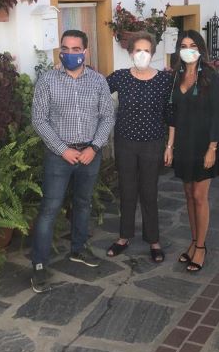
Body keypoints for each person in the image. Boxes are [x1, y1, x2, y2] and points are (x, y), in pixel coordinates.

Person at [30, 29, 115, 293]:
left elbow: (107, 116)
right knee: (50, 209)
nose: (69, 53)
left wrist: (94, 147)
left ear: (85, 52)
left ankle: (78, 249)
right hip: (59, 157)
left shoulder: (98, 81)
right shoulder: (47, 81)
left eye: (75, 49)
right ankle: (39, 265)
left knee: (83, 203)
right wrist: (62, 149)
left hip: (90, 154)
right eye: (64, 49)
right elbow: (39, 119)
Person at [105, 32, 173, 262]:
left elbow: (170, 114)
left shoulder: (164, 80)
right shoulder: (120, 77)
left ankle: (153, 240)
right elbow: (96, 89)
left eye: (146, 50)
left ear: (152, 54)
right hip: (125, 142)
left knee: (149, 192)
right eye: (138, 50)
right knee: (126, 191)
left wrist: (170, 145)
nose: (142, 54)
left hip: (153, 144)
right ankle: (123, 237)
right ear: (130, 53)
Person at [168, 30, 219, 272]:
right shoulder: (176, 76)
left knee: (200, 197)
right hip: (183, 145)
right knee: (189, 195)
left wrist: (212, 148)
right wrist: (170, 146)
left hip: (204, 145)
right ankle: (193, 241)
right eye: (183, 45)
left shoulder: (210, 77)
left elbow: (218, 115)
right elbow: (172, 113)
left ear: (201, 50)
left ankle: (201, 247)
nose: (188, 49)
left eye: (193, 45)